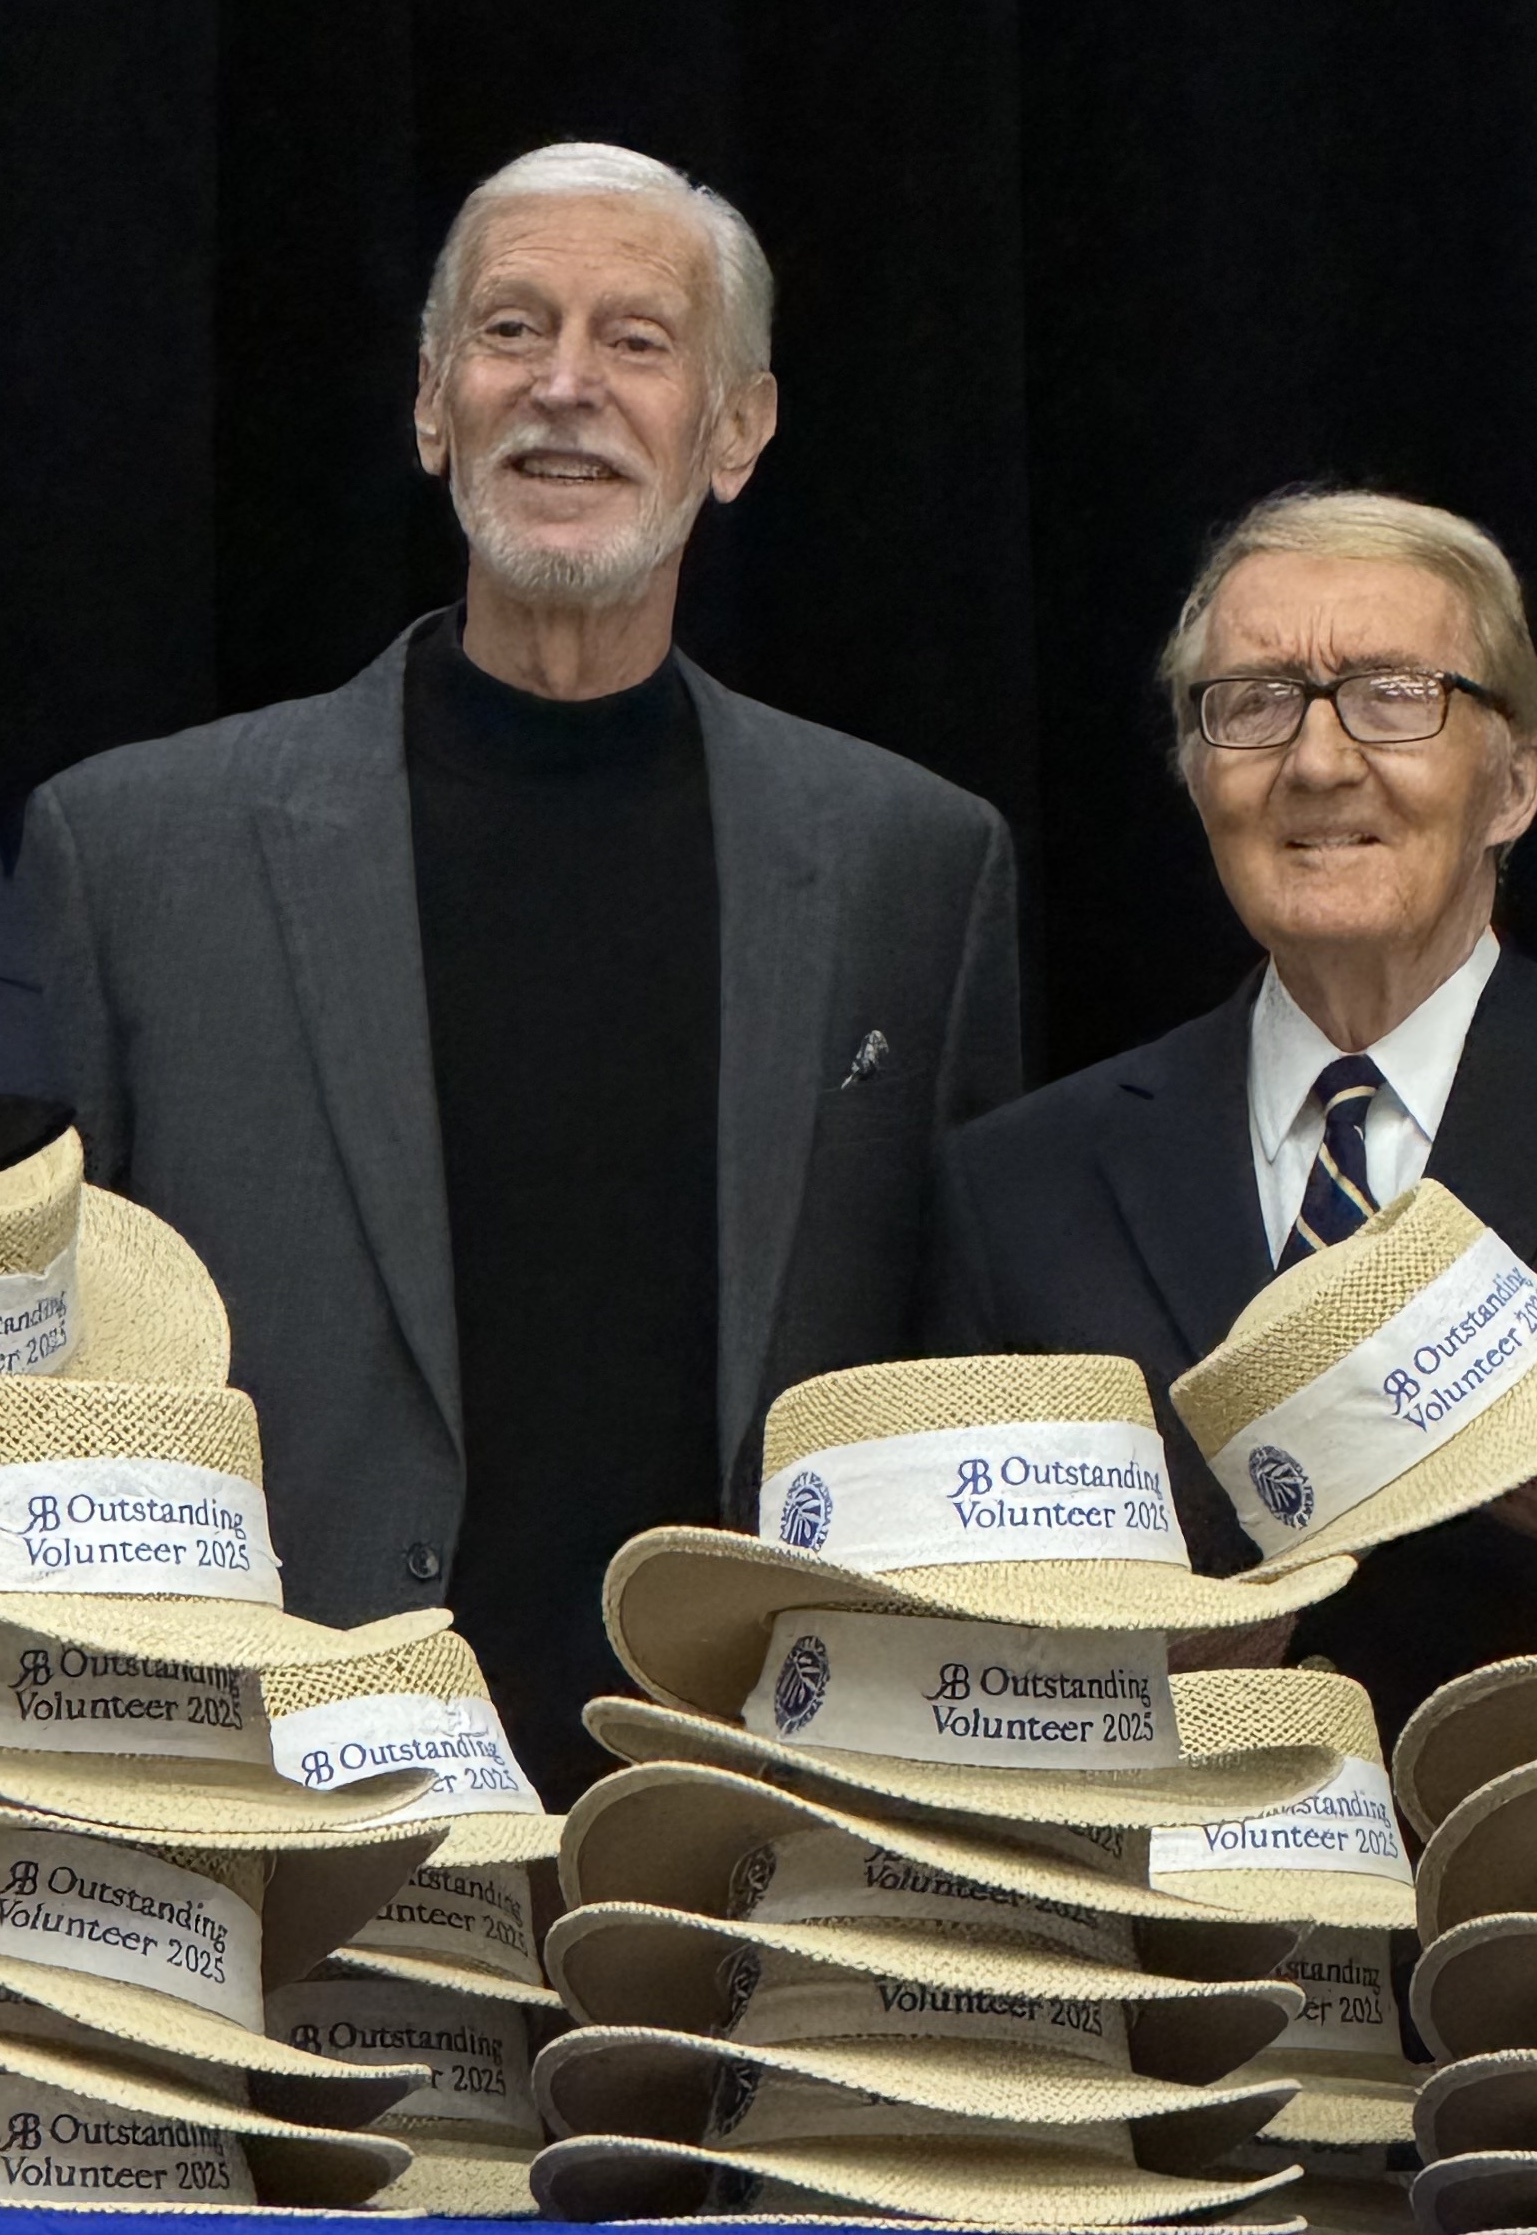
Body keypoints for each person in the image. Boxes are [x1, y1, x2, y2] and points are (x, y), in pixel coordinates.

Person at [16, 144, 1020, 1798]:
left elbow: (946, 1397)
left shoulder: (912, 867)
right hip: (277, 1817)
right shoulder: (133, 855)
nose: (565, 384)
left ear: (737, 429)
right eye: (510, 329)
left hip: (738, 1824)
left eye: (636, 340)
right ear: (432, 405)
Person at [920, 488, 1537, 1740]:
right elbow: (932, 1674)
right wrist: (1094, 1672)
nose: (1318, 761)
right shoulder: (1020, 1185)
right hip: (1166, 1867)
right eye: (1254, 703)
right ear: (1196, 776)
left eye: (1396, 697)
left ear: (1517, 785)